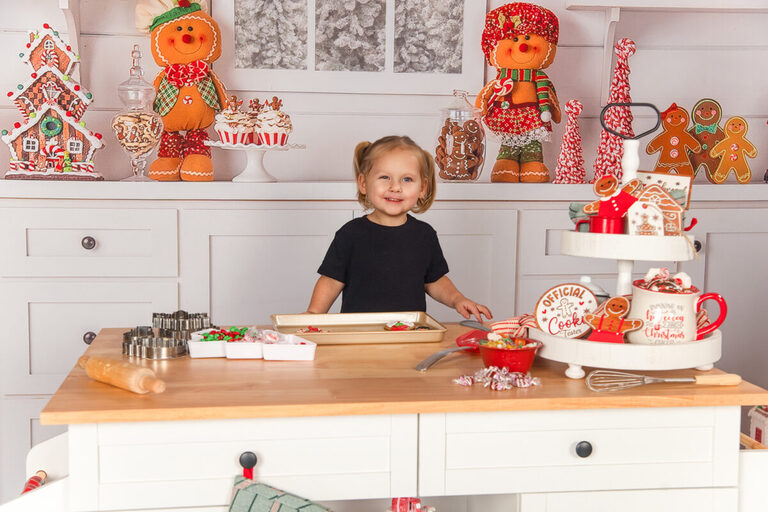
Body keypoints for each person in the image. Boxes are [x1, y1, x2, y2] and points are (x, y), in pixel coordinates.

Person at [307, 135, 492, 322]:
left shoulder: (424, 235)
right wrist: (313, 314)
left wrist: (458, 299)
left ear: (423, 188)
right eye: (385, 177)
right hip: (359, 333)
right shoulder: (350, 234)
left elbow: (435, 281)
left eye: (407, 179)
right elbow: (331, 281)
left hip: (409, 333)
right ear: (363, 183)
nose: (395, 187)